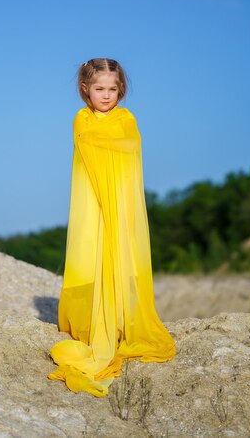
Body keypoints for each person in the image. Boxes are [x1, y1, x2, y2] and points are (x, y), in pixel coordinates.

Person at [47, 58, 176, 397]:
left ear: (122, 89)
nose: (106, 96)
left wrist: (110, 149)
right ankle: (90, 325)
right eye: (99, 89)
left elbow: (129, 149)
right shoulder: (82, 118)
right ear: (84, 89)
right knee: (90, 257)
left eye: (112, 89)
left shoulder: (126, 118)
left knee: (122, 259)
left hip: (120, 201)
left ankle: (121, 324)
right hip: (93, 201)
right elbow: (89, 147)